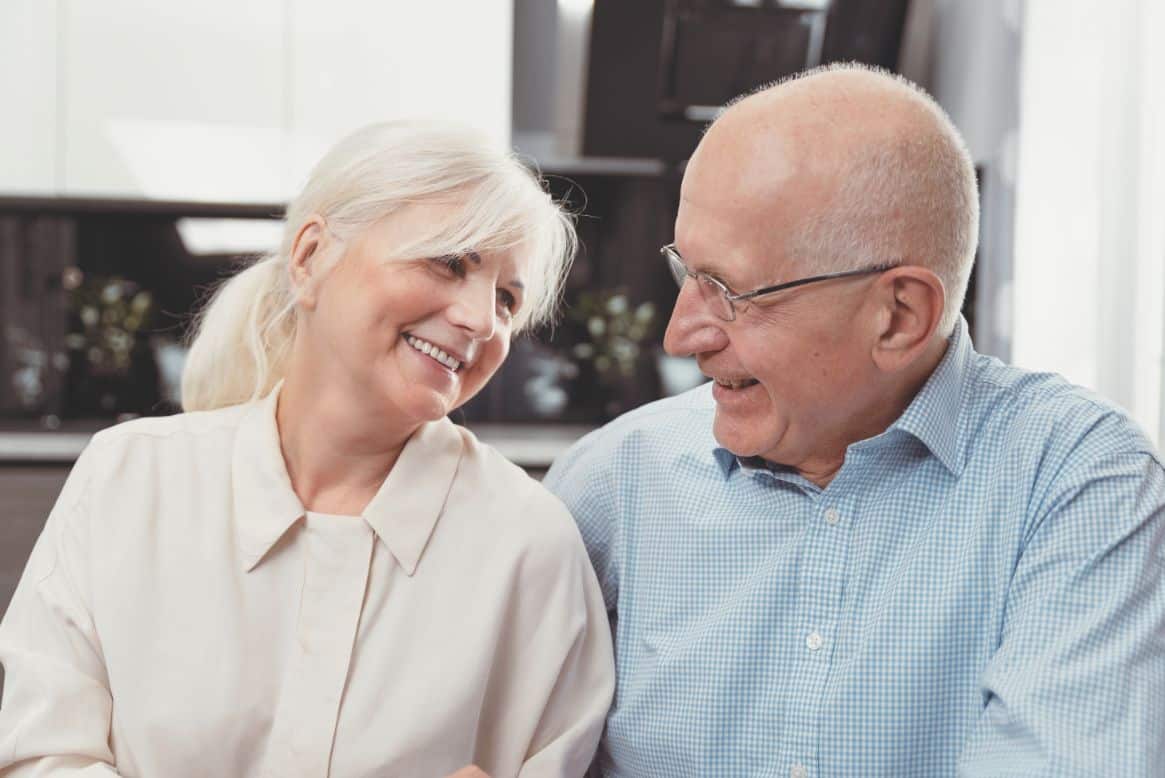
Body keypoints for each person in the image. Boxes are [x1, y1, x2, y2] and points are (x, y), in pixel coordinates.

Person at [545, 63, 1165, 777]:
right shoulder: (610, 482)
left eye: (730, 292)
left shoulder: (1080, 484)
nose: (680, 337)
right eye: (687, 275)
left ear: (898, 317)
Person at [0, 121, 614, 777]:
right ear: (310, 257)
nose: (478, 318)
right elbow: (42, 758)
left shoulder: (529, 542)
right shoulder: (130, 476)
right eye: (449, 260)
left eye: (506, 298)